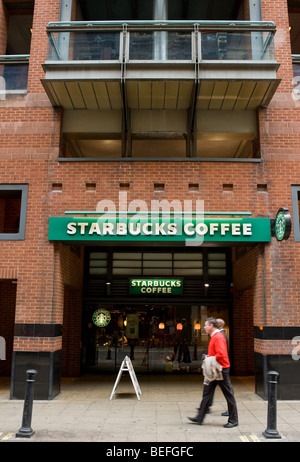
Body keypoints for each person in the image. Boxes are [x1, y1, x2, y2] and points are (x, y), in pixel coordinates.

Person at [188, 317, 238, 428]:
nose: (204, 327)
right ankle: (199, 417)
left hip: (220, 370)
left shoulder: (218, 337)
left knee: (228, 394)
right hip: (214, 369)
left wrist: (208, 357)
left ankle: (233, 420)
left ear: (211, 326)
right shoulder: (215, 336)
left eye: (206, 325)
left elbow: (221, 355)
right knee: (207, 393)